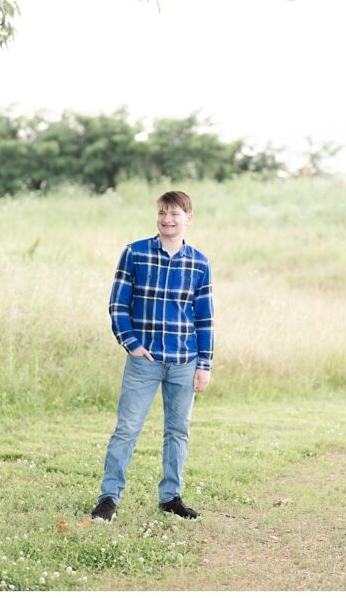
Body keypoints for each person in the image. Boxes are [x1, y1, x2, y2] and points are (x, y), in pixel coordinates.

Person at [91, 190, 214, 522]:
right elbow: (118, 305)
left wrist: (204, 364)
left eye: (175, 213)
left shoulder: (199, 262)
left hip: (184, 360)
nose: (167, 219)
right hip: (144, 360)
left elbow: (203, 317)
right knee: (127, 428)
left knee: (178, 430)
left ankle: (170, 497)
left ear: (189, 217)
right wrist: (130, 343)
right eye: (162, 212)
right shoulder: (135, 253)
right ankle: (108, 497)